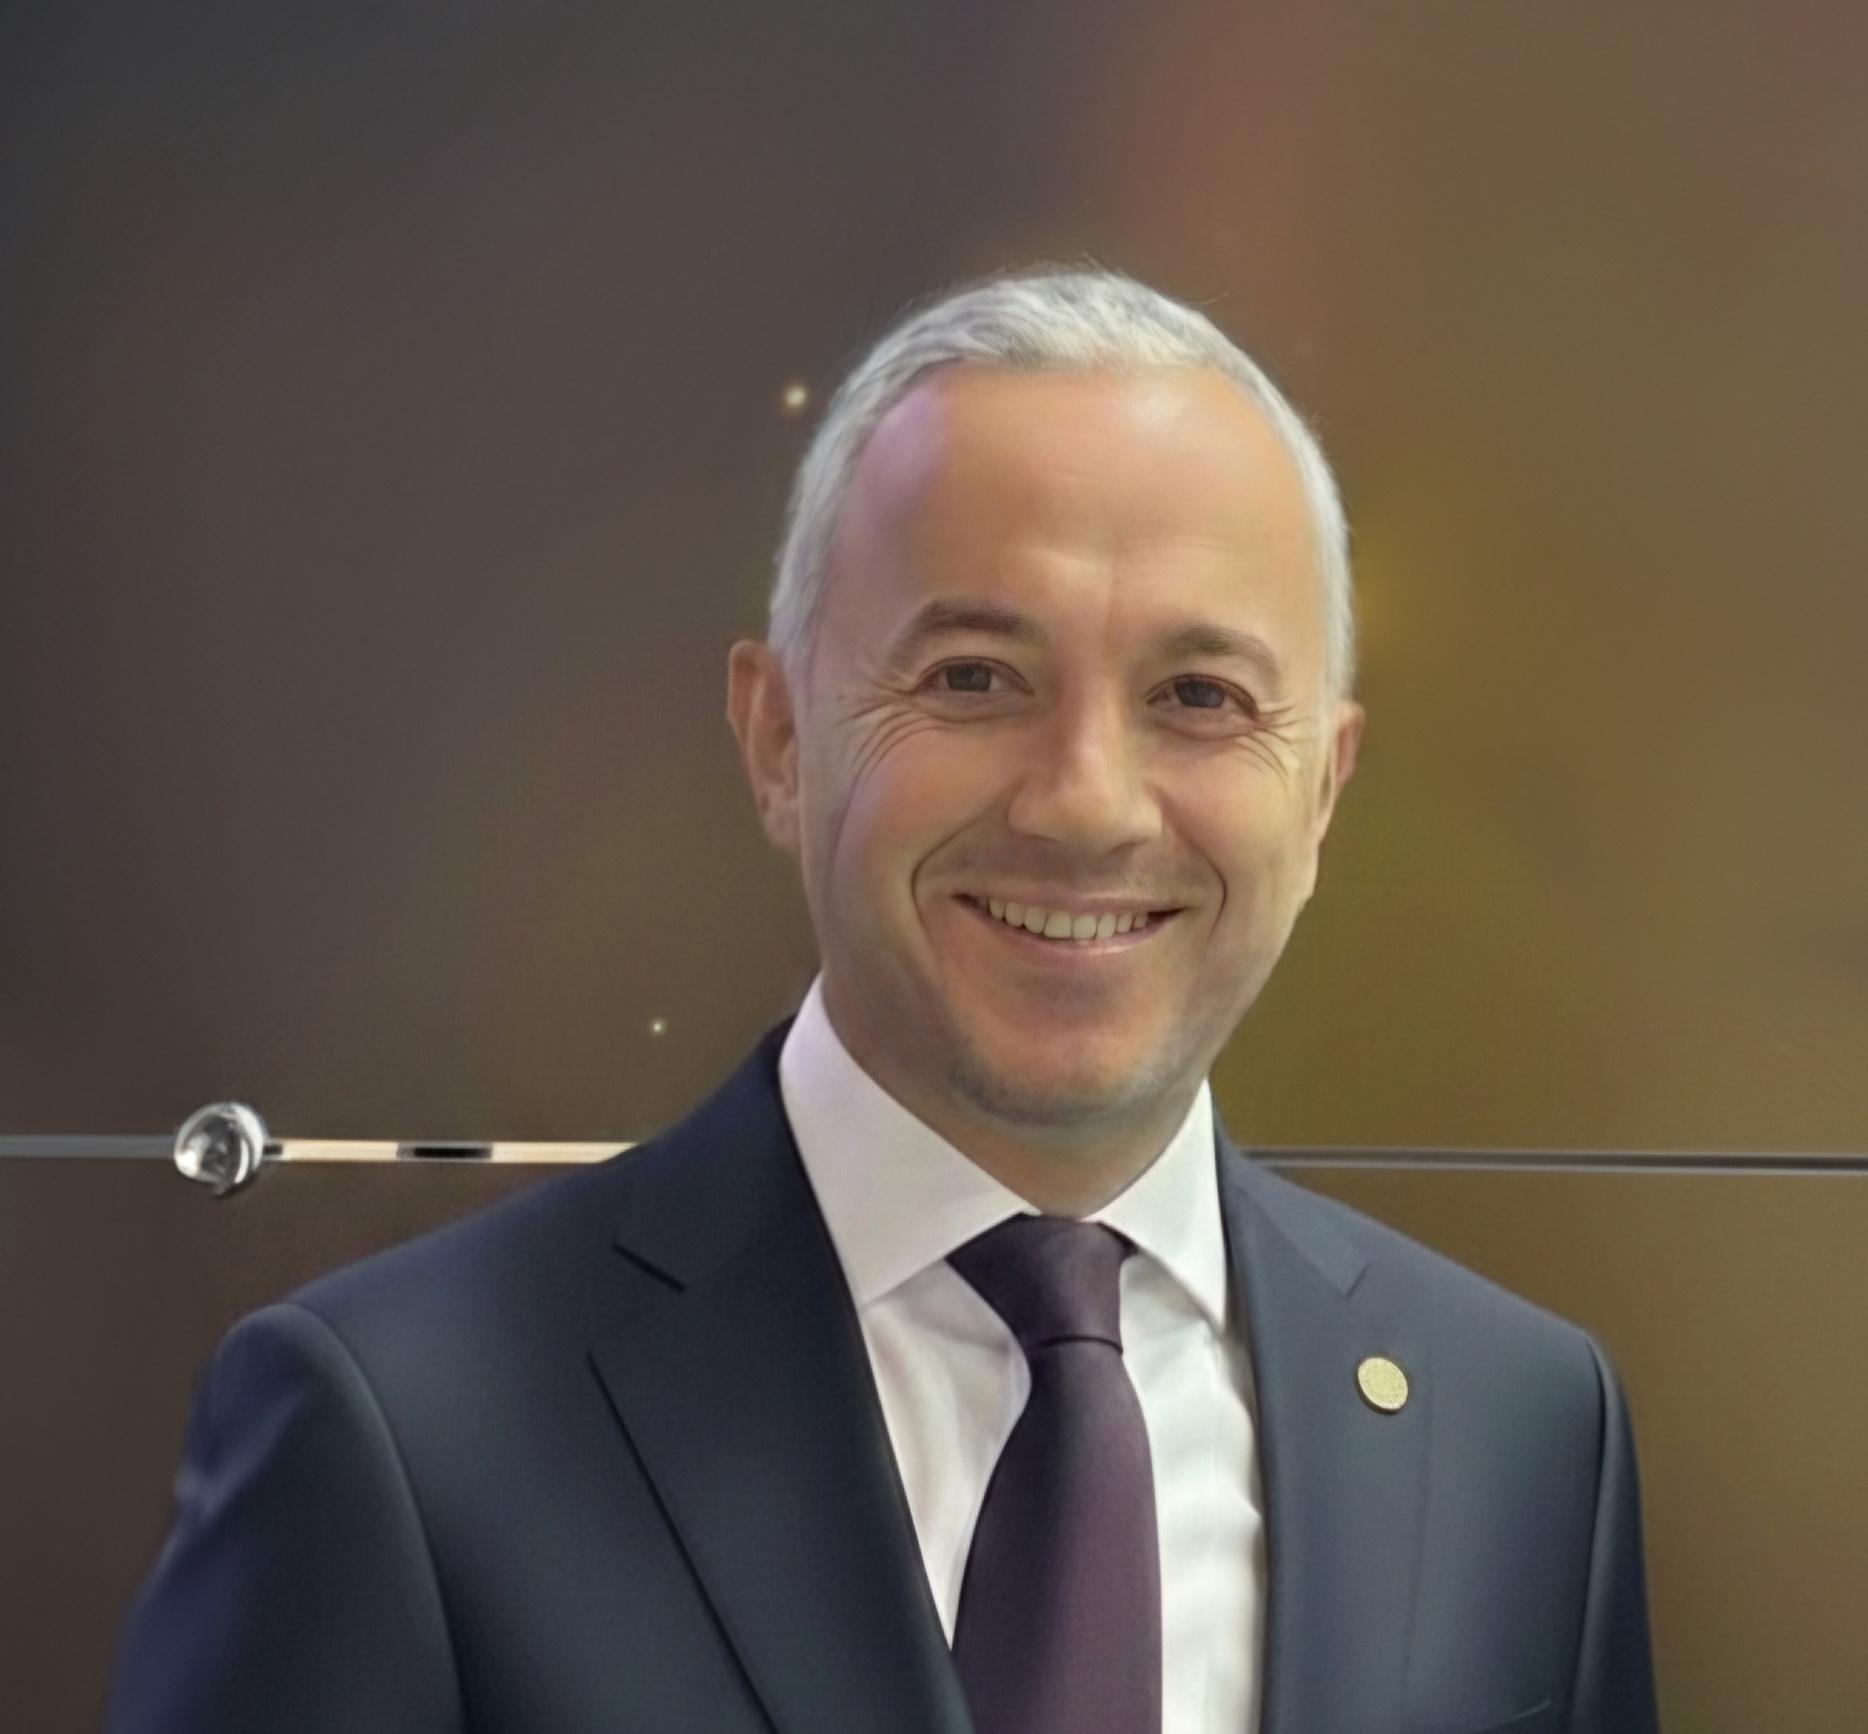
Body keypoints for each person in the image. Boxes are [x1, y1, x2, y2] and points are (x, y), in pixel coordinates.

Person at [106, 266, 1659, 1734]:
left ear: (1322, 790)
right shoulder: (398, 1429)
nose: (1087, 801)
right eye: (975, 676)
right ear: (778, 738)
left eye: (1200, 696)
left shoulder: (1524, 1433)